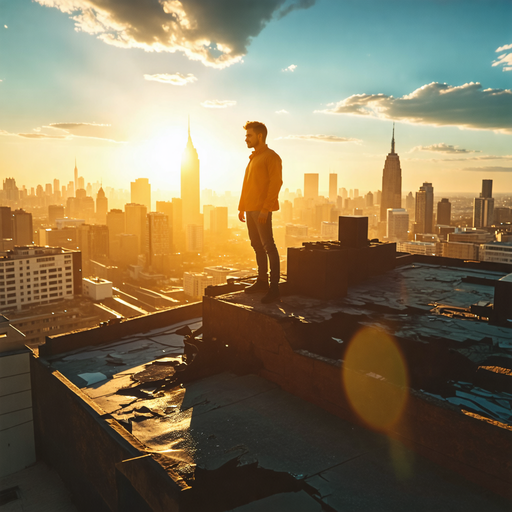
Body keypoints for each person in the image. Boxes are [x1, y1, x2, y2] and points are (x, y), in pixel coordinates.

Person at [238, 121, 283, 303]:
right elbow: (247, 185)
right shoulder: (253, 159)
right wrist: (242, 207)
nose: (246, 139)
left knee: (268, 247)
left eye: (249, 135)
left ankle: (274, 288)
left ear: (259, 136)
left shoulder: (271, 157)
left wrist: (266, 209)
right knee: (256, 245)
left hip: (261, 210)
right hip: (250, 210)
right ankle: (262, 281)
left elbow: (276, 183)